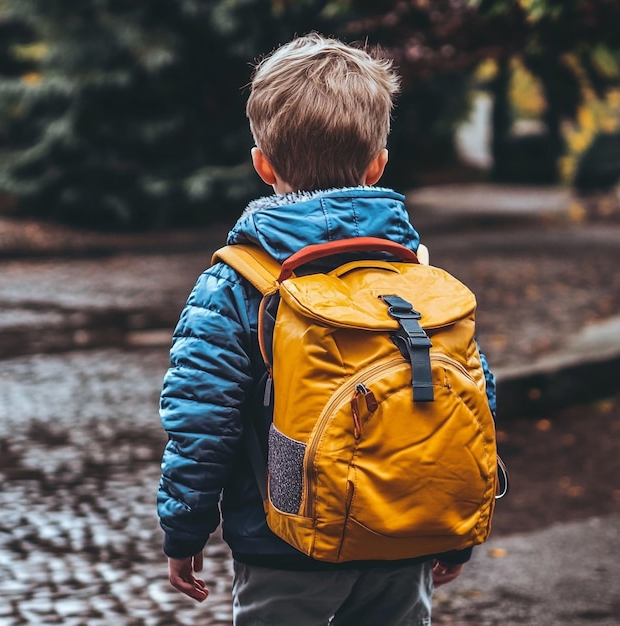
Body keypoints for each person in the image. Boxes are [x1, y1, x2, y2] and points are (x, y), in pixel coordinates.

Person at [157, 32, 497, 625]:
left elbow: (201, 420)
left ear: (262, 164)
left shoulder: (238, 282)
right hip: (404, 533)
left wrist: (184, 533)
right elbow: (473, 401)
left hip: (283, 544)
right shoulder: (415, 274)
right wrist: (455, 530)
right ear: (377, 164)